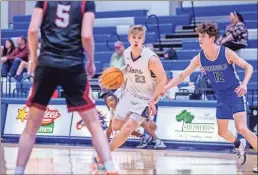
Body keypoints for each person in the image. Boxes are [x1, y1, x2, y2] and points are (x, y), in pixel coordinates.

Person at [15, 1, 117, 175]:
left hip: (46, 64)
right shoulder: (86, 3)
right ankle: (111, 170)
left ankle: (18, 171)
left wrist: (33, 58)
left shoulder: (45, 1)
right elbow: (86, 35)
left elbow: (32, 30)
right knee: (93, 123)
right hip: (73, 64)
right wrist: (91, 62)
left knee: (31, 125)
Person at [163, 22, 257, 173]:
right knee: (222, 133)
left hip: (235, 93)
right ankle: (239, 144)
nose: (199, 39)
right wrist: (166, 87)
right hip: (221, 98)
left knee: (242, 128)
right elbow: (182, 75)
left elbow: (249, 67)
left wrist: (245, 84)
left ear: (212, 38)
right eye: (199, 36)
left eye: (203, 36)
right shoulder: (199, 58)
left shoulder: (226, 53)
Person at [95, 24, 167, 170]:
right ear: (129, 39)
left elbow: (163, 79)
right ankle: (143, 122)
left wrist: (153, 100)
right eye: (133, 37)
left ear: (143, 39)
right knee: (115, 126)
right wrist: (109, 77)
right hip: (128, 94)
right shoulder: (127, 53)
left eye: (139, 38)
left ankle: (102, 158)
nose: (136, 40)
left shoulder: (151, 58)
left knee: (127, 129)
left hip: (144, 99)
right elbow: (127, 70)